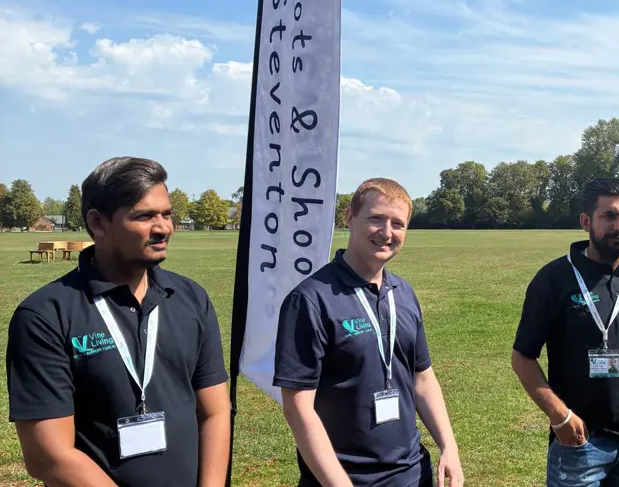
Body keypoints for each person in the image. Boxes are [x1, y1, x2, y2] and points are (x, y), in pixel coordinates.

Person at [6, 157, 230, 487]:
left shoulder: (191, 298)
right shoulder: (46, 315)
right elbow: (49, 456)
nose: (163, 228)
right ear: (98, 223)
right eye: (144, 216)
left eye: (166, 214)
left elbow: (215, 412)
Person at [273, 178, 464, 487]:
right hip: (345, 478)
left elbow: (422, 378)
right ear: (350, 217)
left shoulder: (404, 293)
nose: (387, 233)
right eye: (376, 218)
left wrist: (449, 447)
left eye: (397, 224)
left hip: (412, 474)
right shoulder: (310, 300)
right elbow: (298, 407)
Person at [511, 177, 619, 487]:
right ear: (586, 221)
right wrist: (559, 416)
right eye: (609, 216)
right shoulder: (553, 280)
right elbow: (522, 358)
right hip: (579, 443)